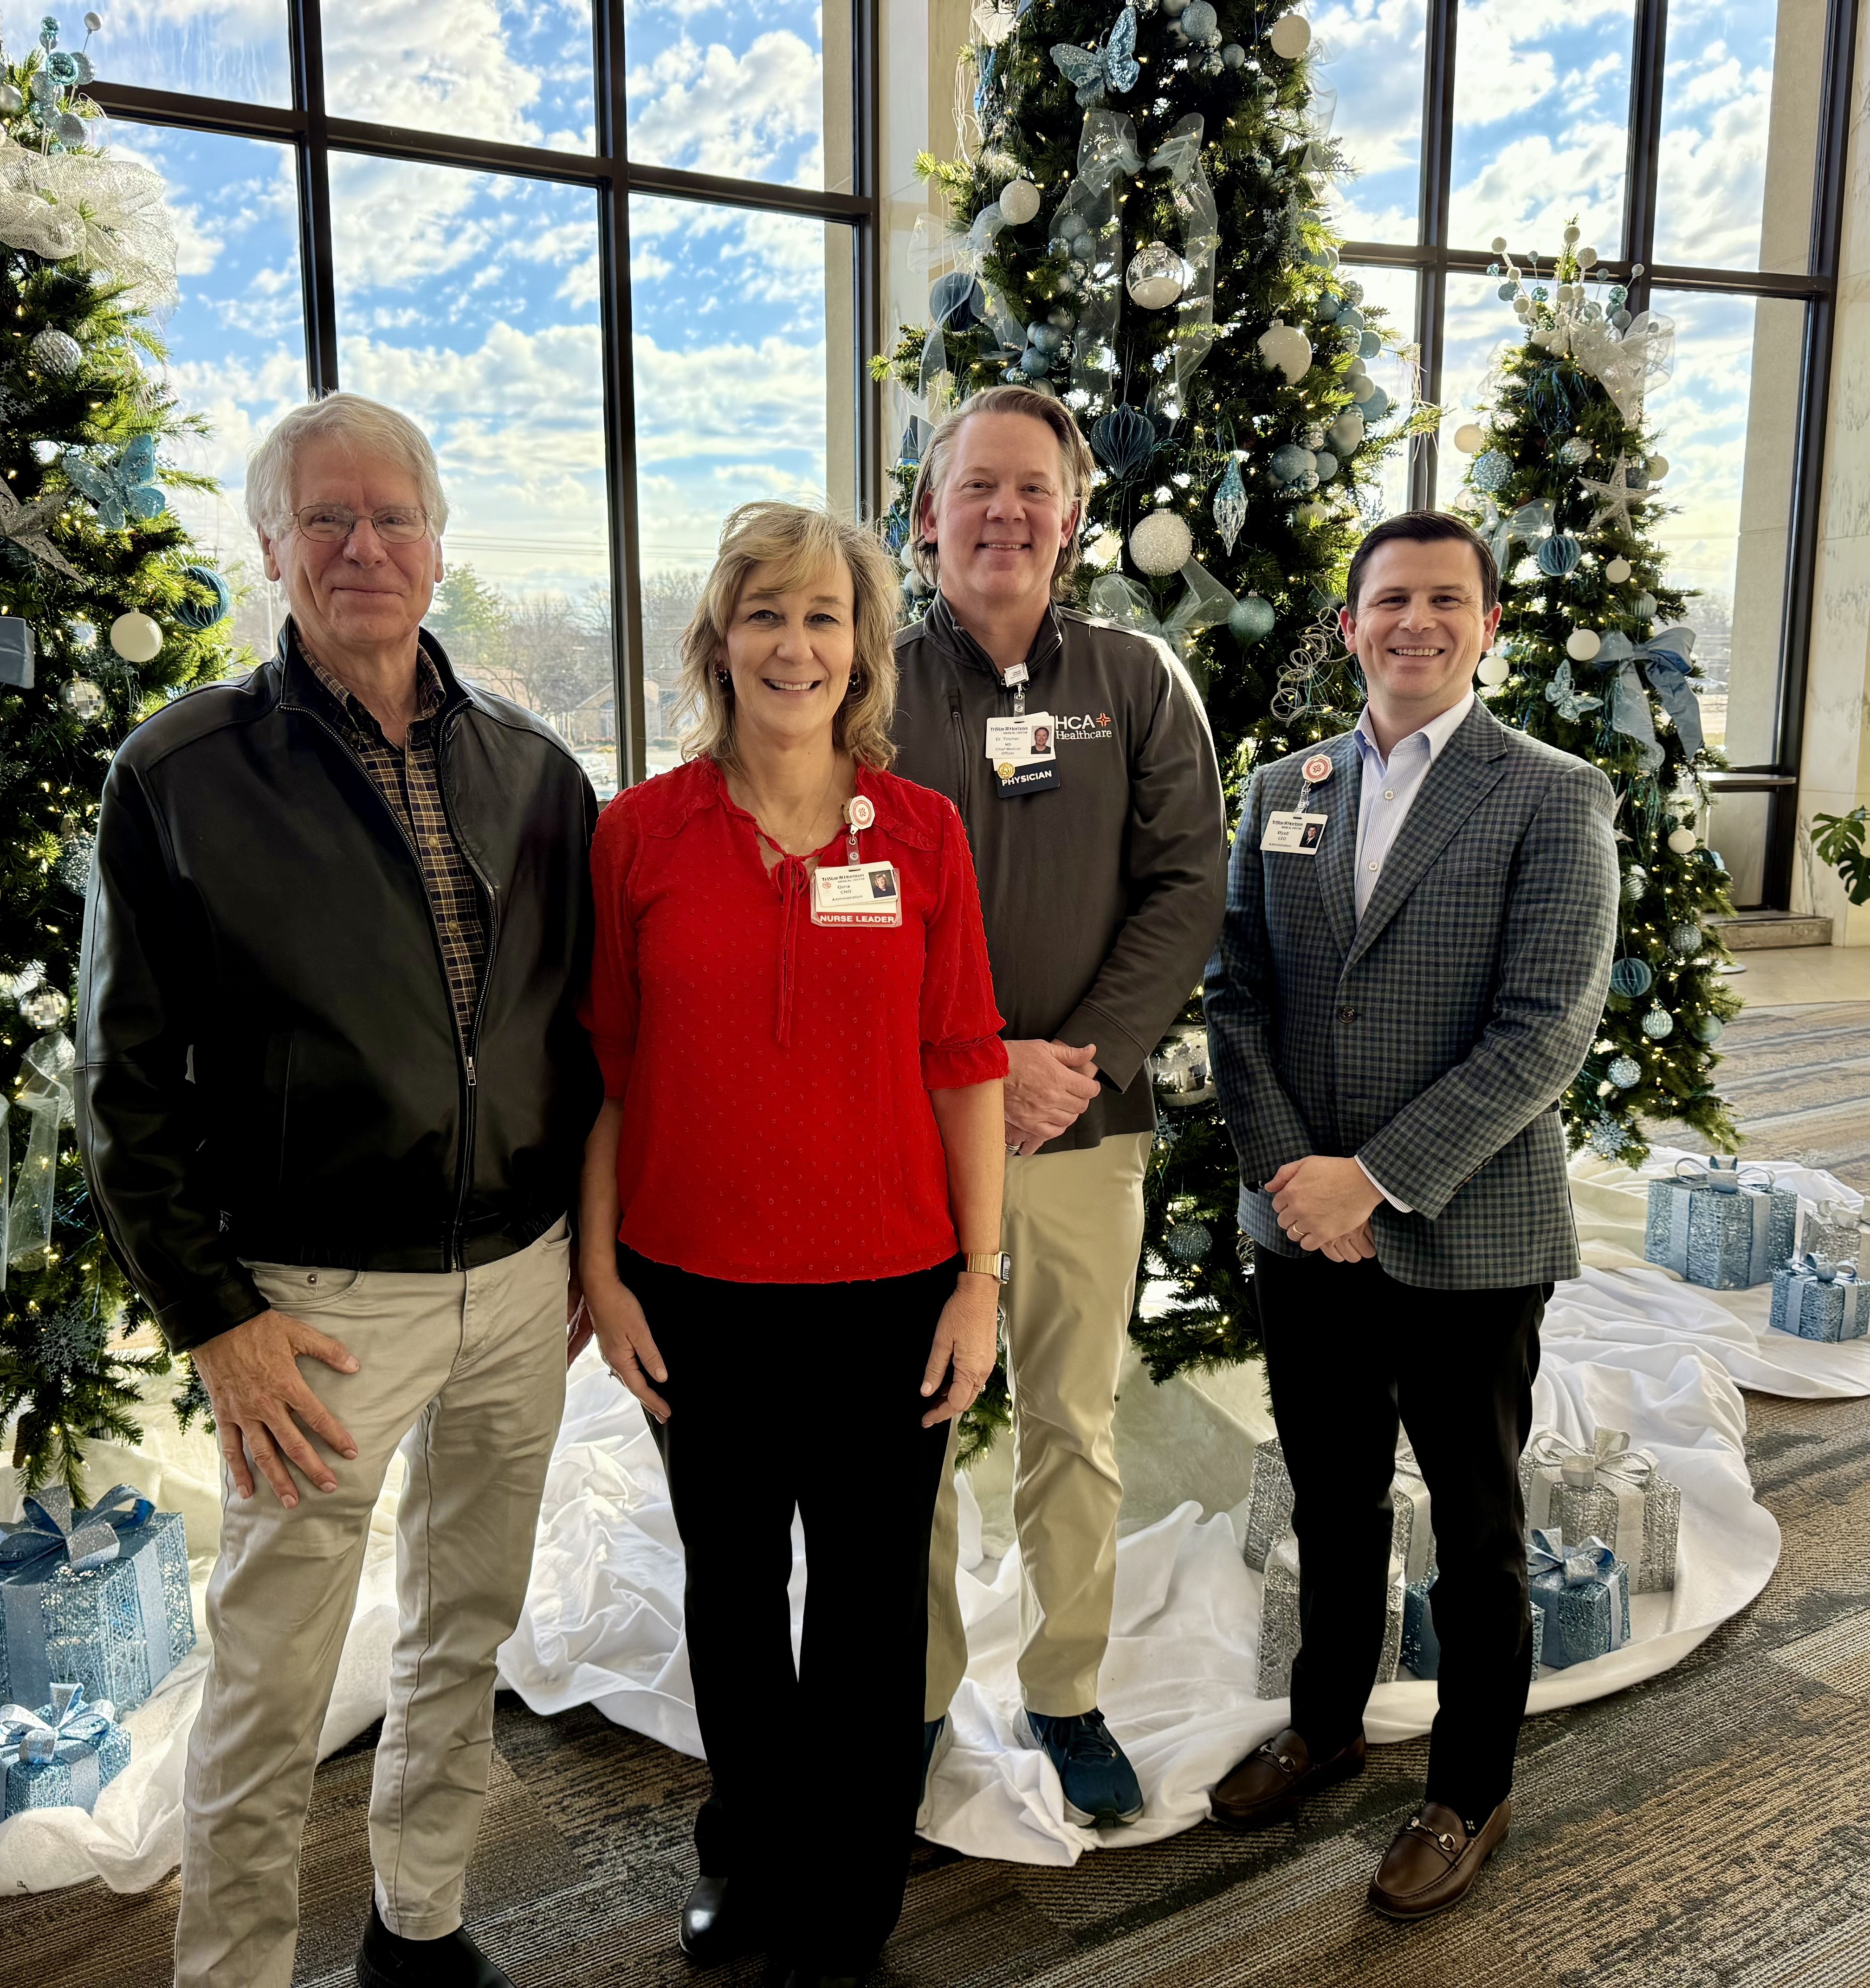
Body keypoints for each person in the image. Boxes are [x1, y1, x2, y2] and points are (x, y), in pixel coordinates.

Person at [78, 392, 599, 1988]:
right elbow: (119, 1082)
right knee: (271, 1671)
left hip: (521, 1280)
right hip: (311, 1306)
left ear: (440, 547)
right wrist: (214, 1315)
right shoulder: (181, 771)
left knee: (465, 1624)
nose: (362, 547)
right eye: (325, 519)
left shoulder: (532, 769)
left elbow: (582, 1033)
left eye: (391, 517)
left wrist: (590, 1249)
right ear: (271, 549)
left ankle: (419, 1923)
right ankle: (229, 1970)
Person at [577, 501, 1009, 1988]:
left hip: (892, 1290)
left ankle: (851, 1884)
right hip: (698, 1291)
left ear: (862, 650)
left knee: (873, 1609)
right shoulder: (636, 833)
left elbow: (963, 1061)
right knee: (732, 1590)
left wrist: (978, 1278)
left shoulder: (925, 835)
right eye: (766, 613)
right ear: (718, 640)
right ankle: (752, 1853)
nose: (795, 645)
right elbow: (610, 1076)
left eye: (824, 617)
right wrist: (600, 1269)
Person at [1199, 511, 1617, 1918]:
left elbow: (1542, 1031)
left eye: (1447, 599)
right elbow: (1237, 993)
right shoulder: (1284, 784)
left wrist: (1370, 1178)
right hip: (1296, 1222)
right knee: (1328, 1492)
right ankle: (1324, 1723)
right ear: (1348, 623)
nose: (1415, 622)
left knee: (1480, 1518)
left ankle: (1469, 1783)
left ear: (1488, 624)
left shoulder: (1550, 794)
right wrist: (1287, 1175)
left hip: (1468, 1228)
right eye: (1390, 599)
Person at [888, 383, 1227, 1826]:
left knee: (1070, 1423)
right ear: (924, 517)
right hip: (904, 1132)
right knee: (902, 1420)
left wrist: (1069, 1058)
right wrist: (967, 1063)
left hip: (1082, 1125)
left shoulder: (1136, 681)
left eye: (1035, 490)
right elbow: (841, 905)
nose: (1006, 514)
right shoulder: (866, 686)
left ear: (1074, 520)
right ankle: (904, 1697)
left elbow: (1184, 886)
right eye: (978, 488)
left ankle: (1066, 1688)